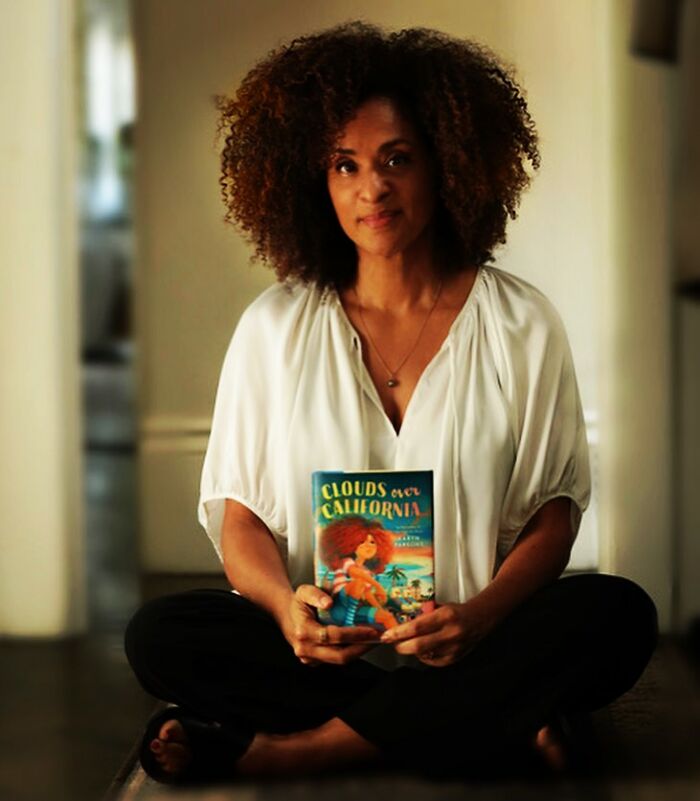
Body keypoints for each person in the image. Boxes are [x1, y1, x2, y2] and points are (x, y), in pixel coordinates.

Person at [124, 21, 658, 784]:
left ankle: (302, 748)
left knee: (616, 615)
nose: (371, 188)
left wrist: (478, 618)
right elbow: (238, 512)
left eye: (397, 160)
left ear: (449, 166)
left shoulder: (521, 322)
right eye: (345, 165)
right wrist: (286, 610)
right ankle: (498, 721)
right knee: (161, 634)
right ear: (316, 182)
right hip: (325, 656)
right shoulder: (275, 326)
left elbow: (554, 513)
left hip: (479, 638)